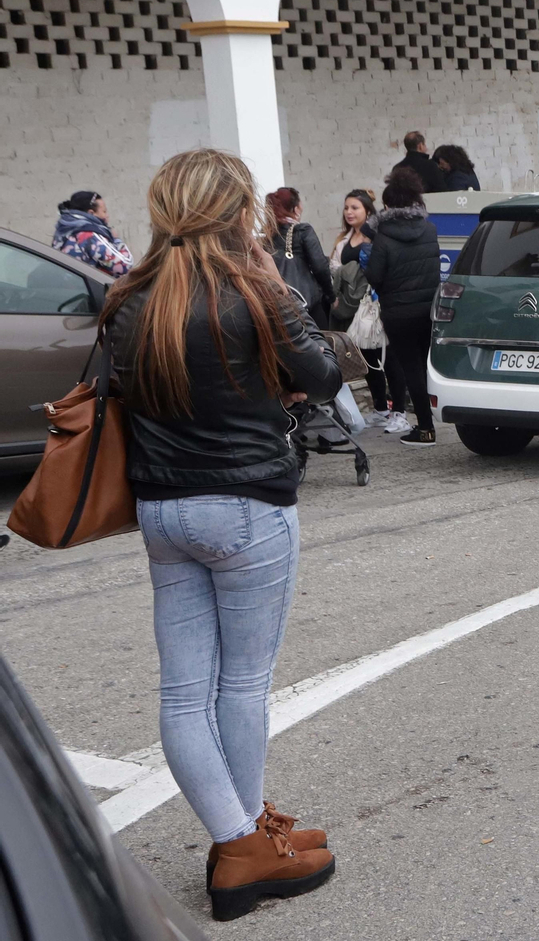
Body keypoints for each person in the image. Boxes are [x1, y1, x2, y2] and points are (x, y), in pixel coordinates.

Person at [102, 148, 341, 920]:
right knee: (242, 685)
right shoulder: (250, 291)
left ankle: (244, 833)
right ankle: (242, 848)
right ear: (235, 210)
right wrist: (273, 285)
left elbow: (117, 391)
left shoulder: (128, 297)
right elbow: (325, 374)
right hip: (245, 507)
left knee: (183, 693)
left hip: (162, 511)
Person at [366, 167, 441, 446]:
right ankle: (430, 421)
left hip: (398, 312)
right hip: (428, 310)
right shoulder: (429, 229)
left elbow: (374, 276)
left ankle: (425, 429)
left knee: (411, 369)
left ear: (388, 205)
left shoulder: (383, 236)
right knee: (425, 365)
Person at [330, 190, 404, 430]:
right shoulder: (344, 239)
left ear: (368, 211)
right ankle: (380, 408)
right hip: (354, 308)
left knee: (389, 357)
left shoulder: (379, 237)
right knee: (367, 360)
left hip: (377, 304)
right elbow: (335, 268)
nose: (349, 212)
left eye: (355, 208)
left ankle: (399, 411)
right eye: (346, 208)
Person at [265, 187, 335, 329]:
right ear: (296, 209)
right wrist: (331, 296)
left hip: (277, 306)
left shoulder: (265, 237)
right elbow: (320, 267)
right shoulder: (302, 231)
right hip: (308, 305)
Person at [53, 190, 133, 277]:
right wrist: (116, 240)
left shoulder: (63, 231)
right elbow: (125, 265)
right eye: (104, 211)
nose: (107, 215)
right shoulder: (89, 235)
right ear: (91, 213)